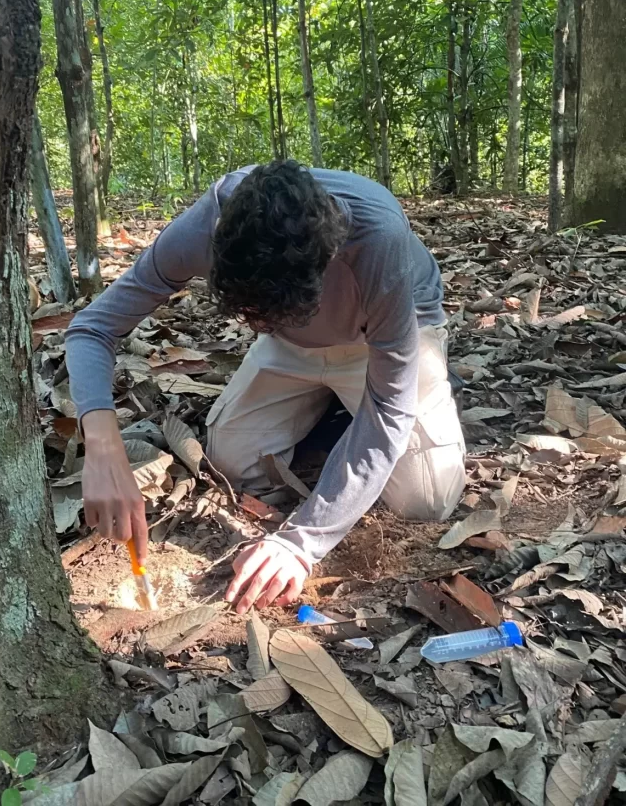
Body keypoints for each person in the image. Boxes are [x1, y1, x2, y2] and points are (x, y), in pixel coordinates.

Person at [66, 161, 465, 614]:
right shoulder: (205, 228)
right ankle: (333, 418)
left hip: (382, 339)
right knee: (231, 462)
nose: (252, 322)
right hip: (290, 343)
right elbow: (92, 328)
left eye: (262, 312)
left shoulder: (378, 240)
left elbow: (390, 407)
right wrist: (103, 448)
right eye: (248, 314)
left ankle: (377, 406)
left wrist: (301, 542)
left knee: (426, 499)